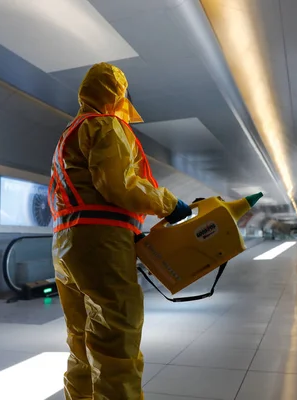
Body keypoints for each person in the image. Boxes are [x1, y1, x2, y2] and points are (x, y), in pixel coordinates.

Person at [49, 62, 192, 400]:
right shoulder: (106, 126)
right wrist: (168, 204)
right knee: (116, 342)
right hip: (102, 243)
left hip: (66, 245)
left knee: (80, 344)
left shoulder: (69, 132)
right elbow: (118, 185)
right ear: (115, 95)